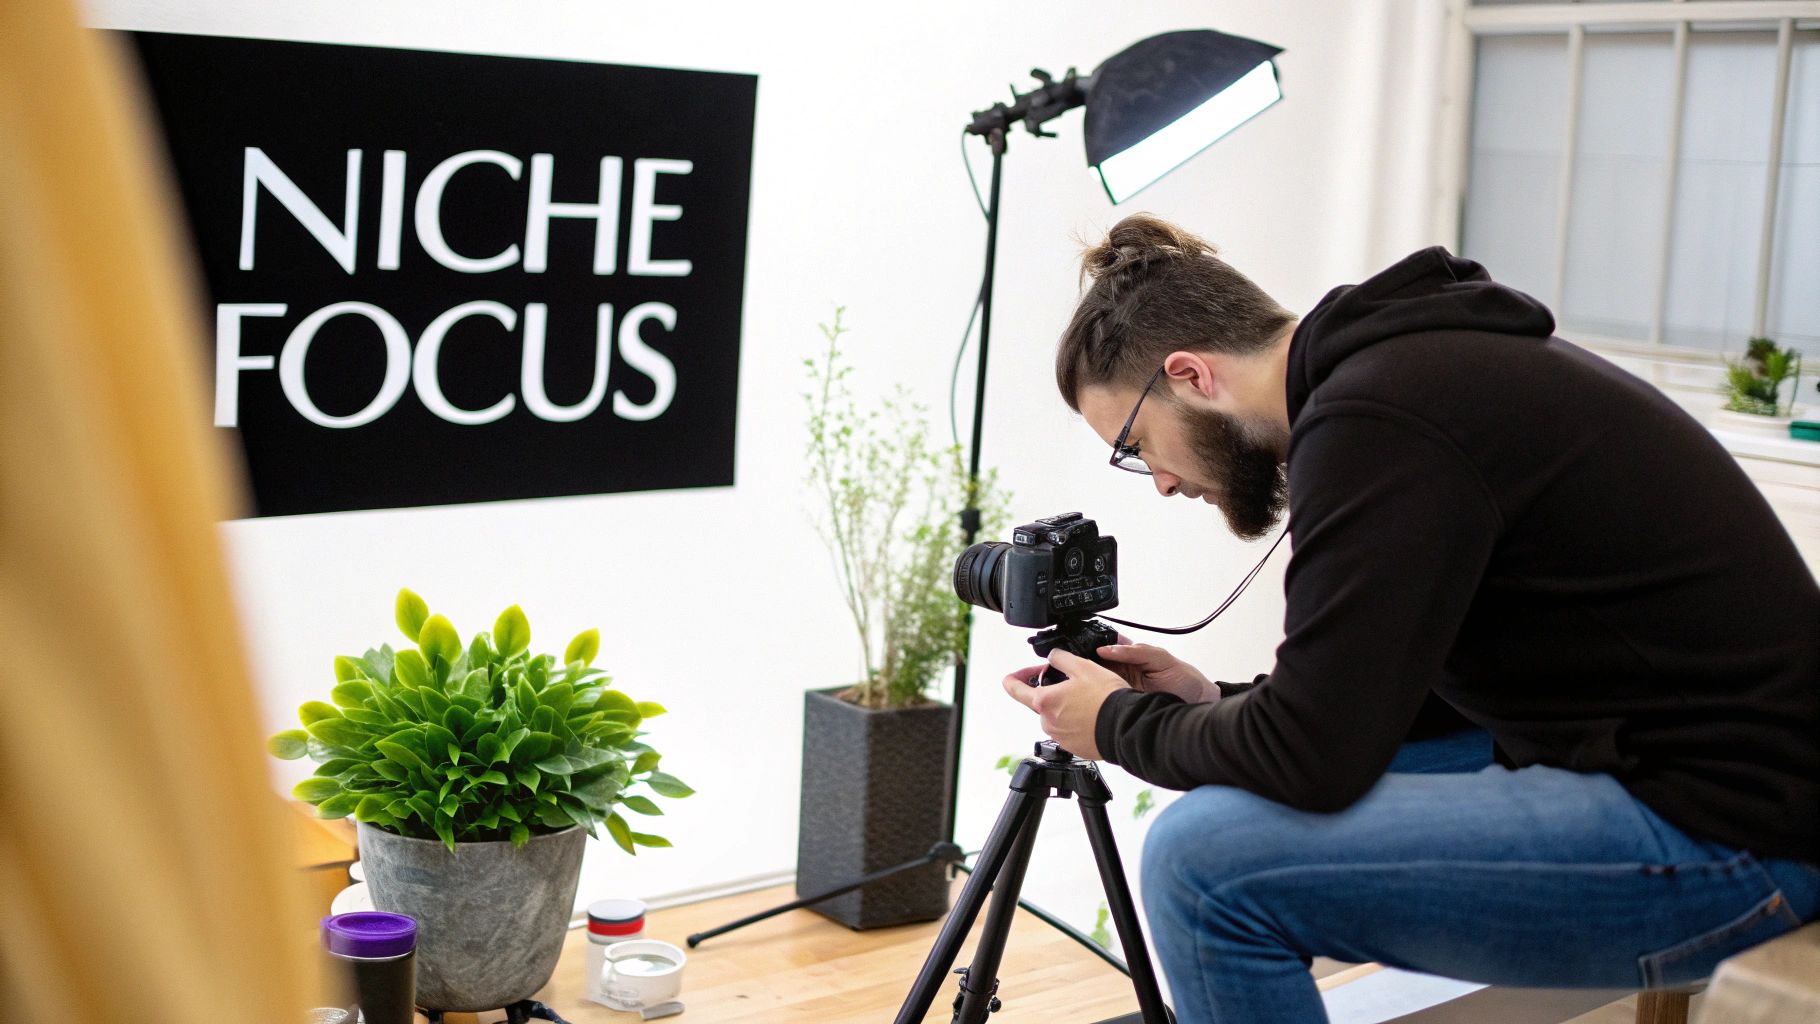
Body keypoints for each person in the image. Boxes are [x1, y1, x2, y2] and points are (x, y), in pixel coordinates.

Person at [998, 213, 1820, 1023]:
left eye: (1136, 447)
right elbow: (1398, 697)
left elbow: (1314, 756)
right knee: (1231, 814)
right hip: (1711, 775)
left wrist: (1117, 727)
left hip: (1738, 836)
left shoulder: (1375, 421)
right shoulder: (1414, 373)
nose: (1164, 483)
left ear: (1189, 374)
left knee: (1200, 865)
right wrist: (1216, 701)